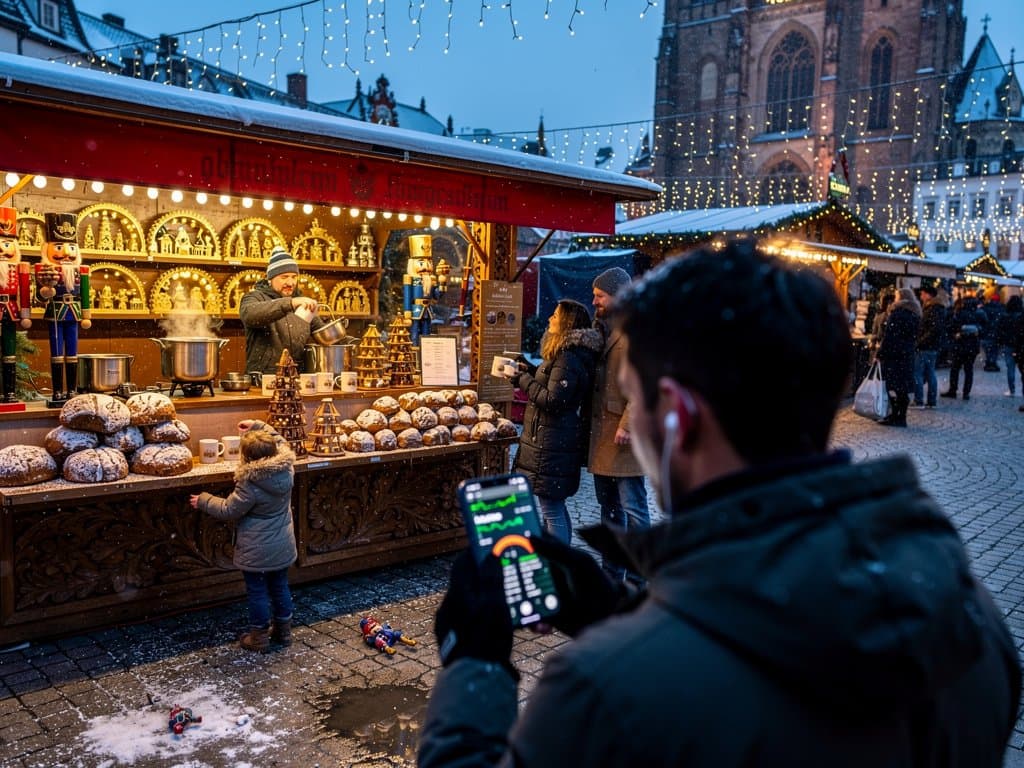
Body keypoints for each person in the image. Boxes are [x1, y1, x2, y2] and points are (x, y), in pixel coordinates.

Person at [419, 240, 1020, 768]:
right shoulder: (973, 616)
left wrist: (475, 660)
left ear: (677, 415)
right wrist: (622, 610)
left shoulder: (603, 692)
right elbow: (769, 644)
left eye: (636, 399)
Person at [189, 420, 297, 652]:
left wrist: (204, 500)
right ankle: (284, 632)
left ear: (245, 457)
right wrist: (259, 426)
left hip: (256, 548)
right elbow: (280, 439)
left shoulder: (249, 483)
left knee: (257, 591)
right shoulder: (287, 469)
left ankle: (258, 637)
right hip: (282, 544)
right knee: (280, 586)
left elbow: (229, 509)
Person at [508, 299, 601, 543]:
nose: (550, 318)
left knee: (551, 510)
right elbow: (550, 382)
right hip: (551, 439)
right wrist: (527, 369)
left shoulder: (568, 358)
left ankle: (558, 566)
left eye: (555, 315)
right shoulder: (564, 354)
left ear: (567, 322)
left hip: (552, 443)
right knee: (553, 508)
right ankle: (561, 564)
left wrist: (522, 380)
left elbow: (553, 400)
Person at [587, 267, 651, 583]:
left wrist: (627, 424)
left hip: (624, 437)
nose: (594, 300)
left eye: (600, 296)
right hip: (603, 437)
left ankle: (639, 576)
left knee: (634, 509)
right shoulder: (605, 327)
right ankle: (612, 572)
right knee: (609, 510)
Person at [239, 246, 325, 374]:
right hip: (262, 380)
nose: (290, 283)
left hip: (296, 378)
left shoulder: (300, 303)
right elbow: (250, 315)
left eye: (294, 277)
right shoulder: (254, 297)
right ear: (270, 279)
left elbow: (323, 332)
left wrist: (351, 342)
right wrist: (289, 303)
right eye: (284, 277)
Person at [876, 286, 921, 426]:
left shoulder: (897, 313)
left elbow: (889, 336)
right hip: (907, 354)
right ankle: (901, 416)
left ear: (900, 298)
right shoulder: (915, 313)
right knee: (902, 387)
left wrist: (880, 353)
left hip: (894, 354)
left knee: (892, 386)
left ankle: (896, 415)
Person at [942, 295, 987, 401]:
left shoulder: (958, 313)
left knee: (955, 369)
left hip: (959, 345)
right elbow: (984, 329)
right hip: (972, 345)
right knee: (968, 370)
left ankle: (953, 390)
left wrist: (957, 332)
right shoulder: (979, 314)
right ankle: (966, 392)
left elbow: (950, 327)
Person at [913, 284, 945, 408]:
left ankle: (918, 400)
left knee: (918, 373)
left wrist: (920, 342)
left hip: (925, 346)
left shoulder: (932, 308)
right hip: (933, 346)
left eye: (922, 294)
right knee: (930, 373)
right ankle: (931, 401)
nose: (921, 297)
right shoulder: (938, 307)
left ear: (927, 294)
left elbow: (932, 329)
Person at [995, 294, 1022, 397]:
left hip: (1009, 344)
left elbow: (1000, 330)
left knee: (1010, 368)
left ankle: (1012, 390)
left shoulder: (1005, 316)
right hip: (1020, 345)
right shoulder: (1021, 317)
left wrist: (1001, 341)